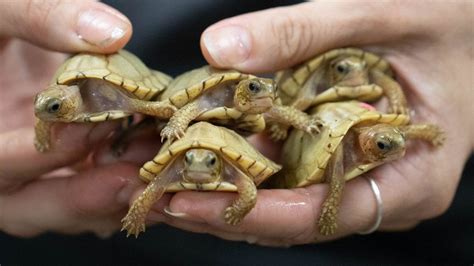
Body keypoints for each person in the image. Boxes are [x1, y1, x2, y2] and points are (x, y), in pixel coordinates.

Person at [0, 0, 472, 250]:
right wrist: (172, 118)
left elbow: (265, 108)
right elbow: (169, 107)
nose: (259, 98)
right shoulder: (77, 98)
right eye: (53, 112)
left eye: (259, 92)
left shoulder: (255, 100)